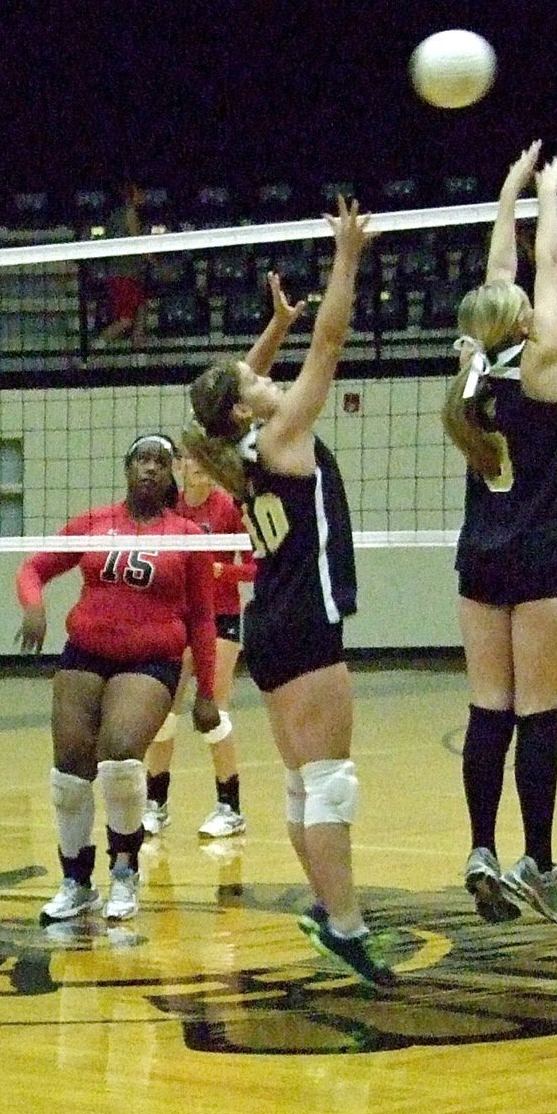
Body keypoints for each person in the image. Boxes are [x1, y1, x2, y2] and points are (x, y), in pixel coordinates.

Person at [183, 198, 397, 988]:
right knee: (329, 781)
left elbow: (238, 381)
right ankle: (344, 923)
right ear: (245, 406)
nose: (264, 374)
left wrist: (272, 326)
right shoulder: (280, 435)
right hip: (306, 621)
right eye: (254, 378)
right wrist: (347, 255)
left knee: (308, 780)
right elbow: (332, 342)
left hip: (272, 621)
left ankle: (327, 907)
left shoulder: (241, 443)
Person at [441, 140, 557, 927]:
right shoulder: (539, 369)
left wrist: (504, 191)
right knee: (541, 710)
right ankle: (535, 856)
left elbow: (500, 279)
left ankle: (479, 848)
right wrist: (550, 198)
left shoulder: (470, 374)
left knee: (487, 708)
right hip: (540, 556)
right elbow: (546, 273)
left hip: (479, 558)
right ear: (520, 321)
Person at [16, 433, 220, 924]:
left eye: (159, 461)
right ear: (127, 468)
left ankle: (125, 872)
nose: (150, 468)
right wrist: (34, 605)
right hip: (85, 651)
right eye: (141, 459)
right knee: (69, 767)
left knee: (121, 752)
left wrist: (208, 692)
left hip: (150, 659)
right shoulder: (94, 523)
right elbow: (33, 568)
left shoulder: (187, 536)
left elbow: (203, 619)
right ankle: (76, 881)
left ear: (170, 472)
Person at [142, 447, 257, 840]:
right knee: (164, 713)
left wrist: (221, 570)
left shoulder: (228, 507)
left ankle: (230, 807)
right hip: (178, 619)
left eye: (209, 462)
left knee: (212, 713)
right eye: (194, 460)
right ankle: (156, 806)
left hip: (220, 618)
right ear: (181, 465)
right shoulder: (169, 510)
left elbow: (260, 565)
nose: (202, 469)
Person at [93, 181, 148, 350]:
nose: (144, 196)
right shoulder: (129, 213)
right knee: (126, 320)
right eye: (140, 192)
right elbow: (138, 243)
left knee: (142, 309)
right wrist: (155, 262)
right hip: (124, 274)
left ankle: (138, 353)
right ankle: (95, 349)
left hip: (130, 274)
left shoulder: (115, 215)